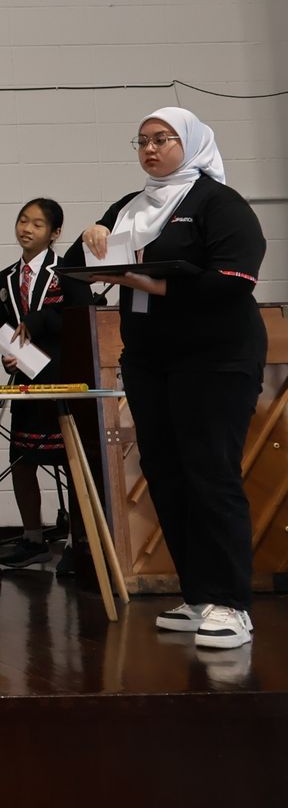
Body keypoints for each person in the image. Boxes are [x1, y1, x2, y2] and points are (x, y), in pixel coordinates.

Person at [65, 108, 265, 649]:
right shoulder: (130, 207)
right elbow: (74, 268)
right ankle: (200, 594)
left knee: (211, 472)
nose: (151, 150)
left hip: (216, 357)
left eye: (163, 140)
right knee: (167, 473)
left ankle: (232, 604)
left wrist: (150, 285)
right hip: (151, 358)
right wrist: (92, 236)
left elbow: (233, 280)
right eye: (143, 141)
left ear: (192, 143)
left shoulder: (219, 205)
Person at [0, 199, 86, 570]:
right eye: (23, 221)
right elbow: (7, 328)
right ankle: (32, 537)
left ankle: (79, 540)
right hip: (26, 377)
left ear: (55, 233)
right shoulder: (5, 277)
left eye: (38, 224)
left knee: (70, 460)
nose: (27, 229)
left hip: (63, 377)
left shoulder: (68, 271)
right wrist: (7, 355)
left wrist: (41, 319)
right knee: (22, 459)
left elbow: (77, 321)